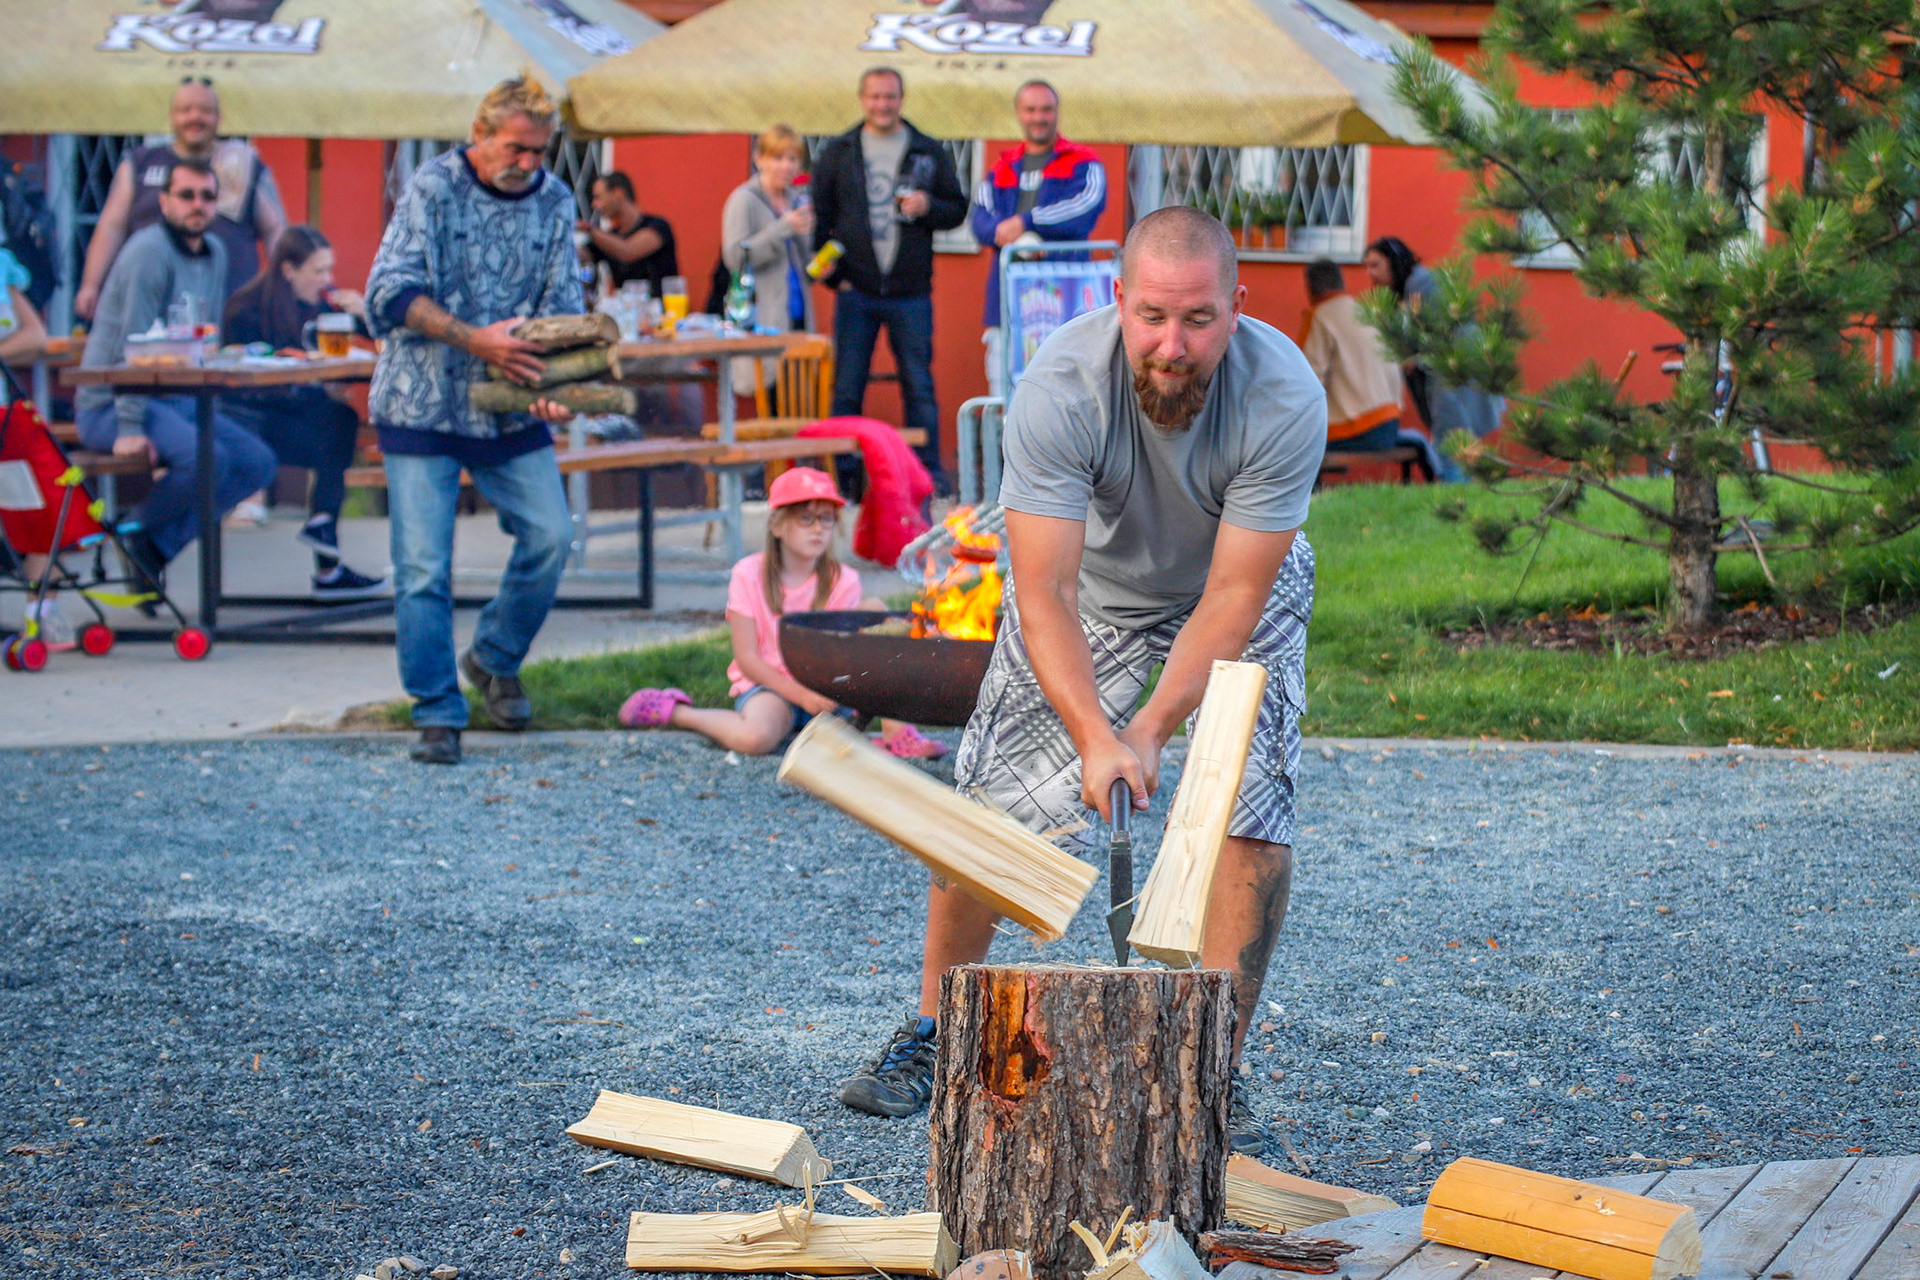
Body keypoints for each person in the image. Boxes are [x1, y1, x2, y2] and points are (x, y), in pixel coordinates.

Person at [836, 209, 1326, 1159]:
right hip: (1088, 593)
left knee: (1254, 810)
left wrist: (1146, 728)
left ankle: (1209, 1064)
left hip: (1232, 585)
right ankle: (939, 1031)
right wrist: (1095, 735)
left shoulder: (1285, 396)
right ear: (1118, 299)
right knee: (983, 801)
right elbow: (1042, 589)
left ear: (1238, 307)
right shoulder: (1060, 384)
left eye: (1196, 319)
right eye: (1151, 317)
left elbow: (1233, 595)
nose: (1170, 345)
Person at [364, 76, 581, 767]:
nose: (529, 163)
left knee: (552, 536)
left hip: (509, 400)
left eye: (540, 151)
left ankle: (492, 656)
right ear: (480, 137)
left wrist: (557, 380)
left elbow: (563, 304)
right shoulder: (432, 188)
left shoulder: (554, 199)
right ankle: (436, 709)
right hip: (420, 400)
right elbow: (388, 291)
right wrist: (475, 338)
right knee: (424, 567)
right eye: (517, 149)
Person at [617, 466, 947, 759]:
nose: (818, 529)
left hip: (825, 686)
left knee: (876, 613)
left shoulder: (842, 580)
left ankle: (897, 735)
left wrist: (830, 691)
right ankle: (676, 711)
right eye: (806, 518)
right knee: (755, 738)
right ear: (777, 525)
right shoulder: (749, 574)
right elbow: (747, 658)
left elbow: (845, 652)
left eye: (827, 518)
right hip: (772, 686)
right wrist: (800, 696)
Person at [73, 157, 279, 595]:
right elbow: (130, 346)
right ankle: (132, 533)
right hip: (113, 401)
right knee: (210, 459)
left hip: (176, 400)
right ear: (164, 201)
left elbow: (205, 339)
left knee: (257, 462)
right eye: (186, 195)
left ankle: (152, 545)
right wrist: (128, 426)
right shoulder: (149, 251)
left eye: (207, 196)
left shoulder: (216, 253)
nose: (198, 205)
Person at [811, 67, 968, 488]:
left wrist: (928, 206)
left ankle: (926, 478)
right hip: (855, 291)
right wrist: (833, 278)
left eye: (890, 97)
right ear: (862, 99)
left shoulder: (927, 149)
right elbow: (820, 219)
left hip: (910, 292)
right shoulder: (839, 150)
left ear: (902, 99)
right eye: (876, 97)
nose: (883, 105)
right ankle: (841, 484)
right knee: (847, 389)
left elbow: (957, 209)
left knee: (919, 386)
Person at [220, 226, 389, 601]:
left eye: (330, 270)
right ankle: (326, 556)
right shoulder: (246, 308)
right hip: (248, 422)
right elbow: (240, 376)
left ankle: (323, 532)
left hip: (292, 414)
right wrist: (306, 382)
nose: (327, 280)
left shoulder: (323, 305)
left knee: (340, 419)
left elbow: (382, 336)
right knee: (333, 423)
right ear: (288, 270)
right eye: (318, 271)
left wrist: (365, 313)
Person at [75, 77, 288, 317]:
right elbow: (111, 226)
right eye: (186, 110)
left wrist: (284, 289)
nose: (195, 117)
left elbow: (275, 230)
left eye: (205, 111)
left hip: (229, 310)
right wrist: (90, 285)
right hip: (151, 309)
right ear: (171, 117)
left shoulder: (244, 164)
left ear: (220, 118)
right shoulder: (141, 162)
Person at [967, 80, 1107, 398]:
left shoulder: (1082, 161)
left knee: (1066, 389)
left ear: (1057, 113)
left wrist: (1027, 222)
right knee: (1004, 389)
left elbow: (1086, 206)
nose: (1038, 117)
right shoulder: (1003, 167)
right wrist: (1006, 233)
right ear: (1019, 113)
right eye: (1030, 109)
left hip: (1064, 300)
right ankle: (1007, 449)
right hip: (1007, 302)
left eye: (1046, 109)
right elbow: (980, 218)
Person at [1363, 236, 1505, 482]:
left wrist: (1413, 355)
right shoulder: (1416, 286)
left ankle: (1454, 493)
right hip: (1454, 373)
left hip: (1454, 375)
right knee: (1456, 440)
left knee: (1450, 439)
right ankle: (1461, 491)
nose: (1369, 273)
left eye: (1375, 265)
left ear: (1394, 262)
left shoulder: (1423, 285)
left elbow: (1441, 335)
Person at [720, 125, 816, 396]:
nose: (786, 166)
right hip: (762, 322)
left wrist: (818, 265)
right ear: (759, 159)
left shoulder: (796, 200)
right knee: (770, 402)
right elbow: (735, 258)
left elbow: (799, 267)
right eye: (778, 158)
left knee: (799, 403)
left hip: (796, 317)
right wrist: (783, 227)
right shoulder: (744, 200)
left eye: (792, 159)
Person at [581, 172, 678, 301]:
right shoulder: (609, 237)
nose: (594, 205)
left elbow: (628, 251)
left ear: (618, 193)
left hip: (661, 316)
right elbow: (580, 255)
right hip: (625, 315)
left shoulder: (658, 227)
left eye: (598, 197)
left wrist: (587, 228)